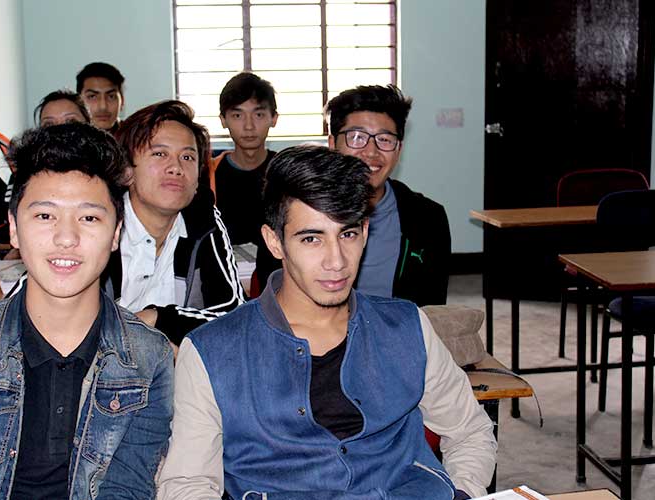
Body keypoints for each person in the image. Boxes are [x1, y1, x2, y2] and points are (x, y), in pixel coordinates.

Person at [158, 146, 496, 500]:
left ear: (365, 231)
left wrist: (464, 491)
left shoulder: (407, 326)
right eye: (311, 238)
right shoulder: (212, 352)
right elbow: (188, 484)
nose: (336, 261)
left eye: (347, 234)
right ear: (275, 242)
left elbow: (470, 430)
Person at [0, 123, 174, 498]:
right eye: (45, 216)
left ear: (116, 234)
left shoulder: (149, 358)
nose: (66, 238)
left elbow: (127, 487)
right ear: (14, 229)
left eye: (89, 218)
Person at [106, 100, 246, 344]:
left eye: (188, 157)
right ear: (127, 170)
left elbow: (235, 315)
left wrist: (156, 318)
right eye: (160, 154)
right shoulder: (101, 222)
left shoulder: (202, 219)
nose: (176, 168)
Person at [327, 84, 451, 306]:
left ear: (399, 149)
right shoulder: (302, 210)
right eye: (357, 137)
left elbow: (433, 307)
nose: (370, 152)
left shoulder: (428, 218)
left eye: (384, 139)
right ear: (332, 144)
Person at [209, 72, 278, 247]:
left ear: (274, 118)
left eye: (258, 115)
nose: (249, 126)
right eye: (237, 116)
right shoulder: (207, 175)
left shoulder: (288, 173)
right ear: (223, 120)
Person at [76, 61, 125, 132]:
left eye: (111, 96)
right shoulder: (66, 136)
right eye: (92, 96)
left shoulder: (135, 137)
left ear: (122, 101)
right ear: (78, 102)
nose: (103, 107)